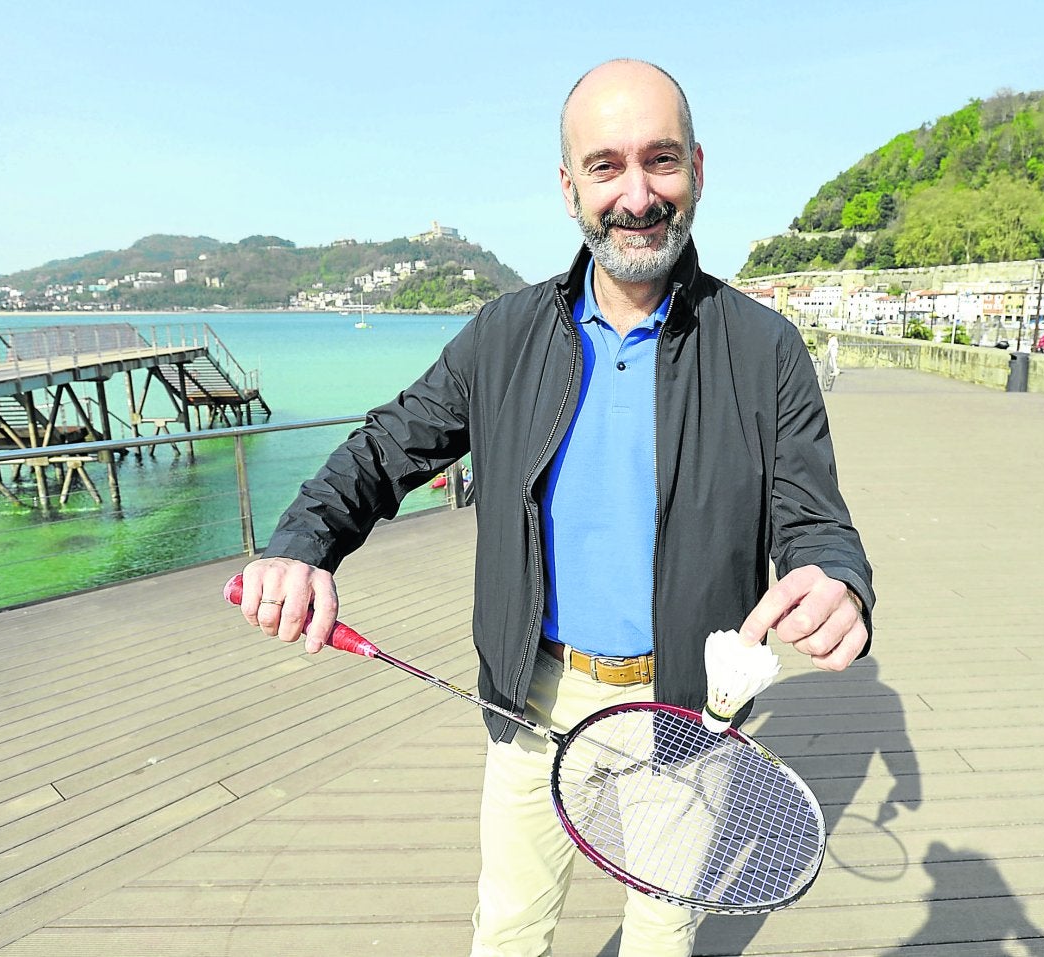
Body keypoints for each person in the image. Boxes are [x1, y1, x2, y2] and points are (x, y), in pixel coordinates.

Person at [235, 59, 873, 957]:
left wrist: (837, 579)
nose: (638, 194)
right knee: (509, 928)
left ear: (698, 167)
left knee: (661, 928)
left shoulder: (764, 348)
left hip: (685, 704)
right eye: (606, 166)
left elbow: (816, 521)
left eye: (661, 160)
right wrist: (302, 543)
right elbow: (386, 447)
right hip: (533, 693)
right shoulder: (504, 334)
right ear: (569, 186)